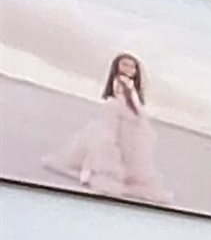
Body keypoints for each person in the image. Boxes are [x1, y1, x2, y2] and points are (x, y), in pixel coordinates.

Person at [35, 51, 175, 205]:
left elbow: (135, 102)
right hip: (117, 112)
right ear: (117, 67)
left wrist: (138, 115)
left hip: (128, 118)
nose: (128, 68)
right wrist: (136, 113)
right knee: (105, 142)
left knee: (125, 147)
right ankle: (89, 171)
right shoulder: (121, 82)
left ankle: (107, 172)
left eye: (132, 66)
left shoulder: (130, 85)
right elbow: (126, 100)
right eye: (125, 64)